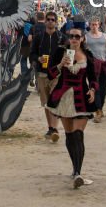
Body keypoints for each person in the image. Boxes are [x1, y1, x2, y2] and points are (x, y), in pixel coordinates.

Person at [44, 27, 98, 188]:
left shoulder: (87, 55)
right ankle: (75, 170)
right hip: (64, 98)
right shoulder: (61, 52)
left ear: (82, 39)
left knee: (78, 134)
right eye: (71, 36)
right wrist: (61, 64)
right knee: (69, 135)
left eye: (77, 36)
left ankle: (79, 173)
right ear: (68, 38)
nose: (74, 39)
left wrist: (93, 89)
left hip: (82, 98)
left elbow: (93, 78)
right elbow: (50, 74)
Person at [29, 11, 64, 142]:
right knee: (46, 103)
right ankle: (51, 128)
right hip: (42, 74)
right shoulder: (39, 37)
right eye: (48, 19)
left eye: (52, 20)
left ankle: (55, 128)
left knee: (54, 102)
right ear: (45, 21)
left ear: (56, 22)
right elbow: (31, 54)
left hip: (56, 74)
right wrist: (38, 59)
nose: (50, 22)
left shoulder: (61, 37)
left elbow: (70, 51)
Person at [85, 18, 106, 122]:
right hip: (92, 65)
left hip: (104, 64)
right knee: (95, 88)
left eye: (96, 24)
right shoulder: (86, 37)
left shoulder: (104, 36)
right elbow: (83, 49)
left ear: (99, 25)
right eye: (92, 24)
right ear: (89, 25)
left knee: (103, 89)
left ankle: (100, 109)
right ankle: (97, 110)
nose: (94, 26)